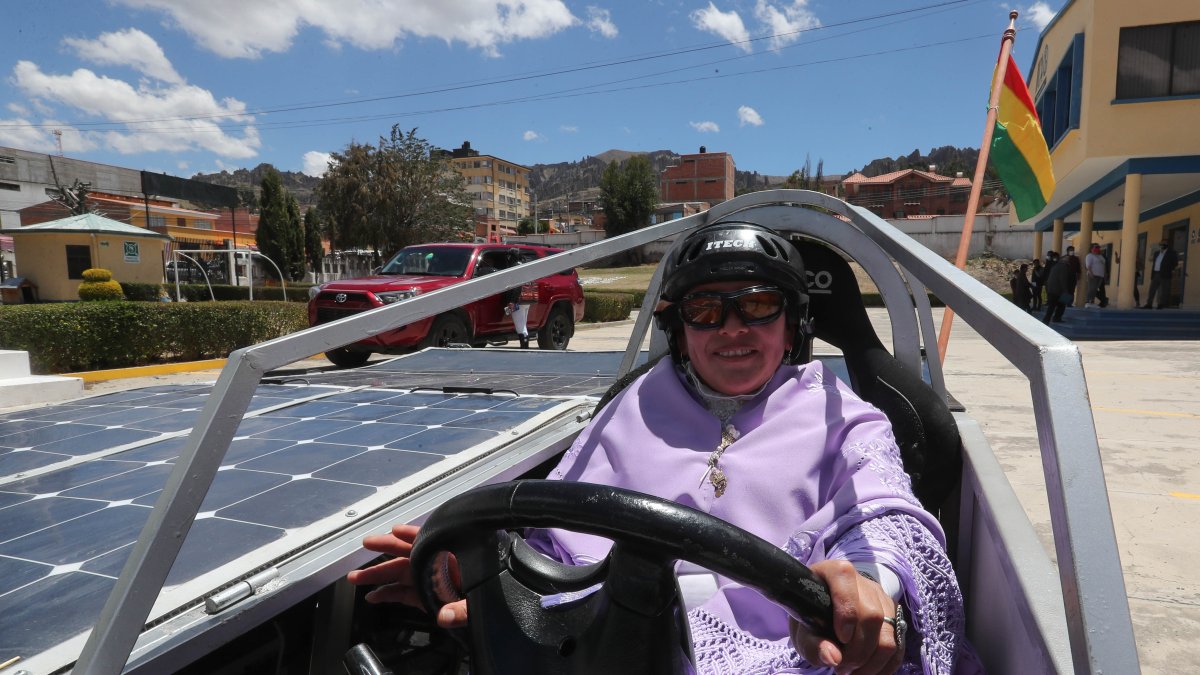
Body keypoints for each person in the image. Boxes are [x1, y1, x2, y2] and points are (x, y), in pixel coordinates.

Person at [349, 223, 980, 674]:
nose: (733, 327)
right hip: (614, 645)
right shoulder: (633, 404)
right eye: (707, 309)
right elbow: (553, 527)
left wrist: (869, 584)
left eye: (758, 306)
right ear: (680, 330)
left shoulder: (846, 415)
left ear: (793, 325)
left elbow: (886, 514)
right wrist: (470, 571)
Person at [501, 248, 532, 348]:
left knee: (520, 327)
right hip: (526, 300)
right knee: (523, 325)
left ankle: (524, 348)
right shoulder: (524, 266)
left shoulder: (515, 267)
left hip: (518, 301)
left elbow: (517, 286)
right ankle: (525, 346)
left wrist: (512, 301)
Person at [1143, 237, 1179, 309]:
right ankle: (1149, 304)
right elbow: (1154, 263)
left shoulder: (1172, 253)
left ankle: (1161, 304)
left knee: (1163, 290)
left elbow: (1175, 263)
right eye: (1162, 243)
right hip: (1156, 273)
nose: (1163, 245)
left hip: (1165, 274)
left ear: (1167, 244)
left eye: (1164, 243)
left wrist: (1169, 269)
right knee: (1152, 289)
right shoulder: (1157, 253)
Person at [1043, 250, 1073, 323]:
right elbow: (1063, 280)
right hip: (1058, 291)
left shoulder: (1055, 266)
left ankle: (1046, 320)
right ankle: (1056, 318)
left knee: (1052, 307)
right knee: (1061, 305)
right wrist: (1066, 291)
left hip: (1051, 290)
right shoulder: (1063, 267)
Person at [1084, 244, 1108, 308]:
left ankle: (1092, 302)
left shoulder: (1100, 256)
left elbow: (1103, 265)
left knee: (1095, 289)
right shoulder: (1089, 256)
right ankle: (1087, 301)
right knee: (1091, 288)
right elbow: (1088, 265)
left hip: (1100, 275)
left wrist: (1105, 274)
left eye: (1098, 247)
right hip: (1093, 274)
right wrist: (1091, 273)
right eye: (1096, 247)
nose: (1097, 249)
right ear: (1091, 248)